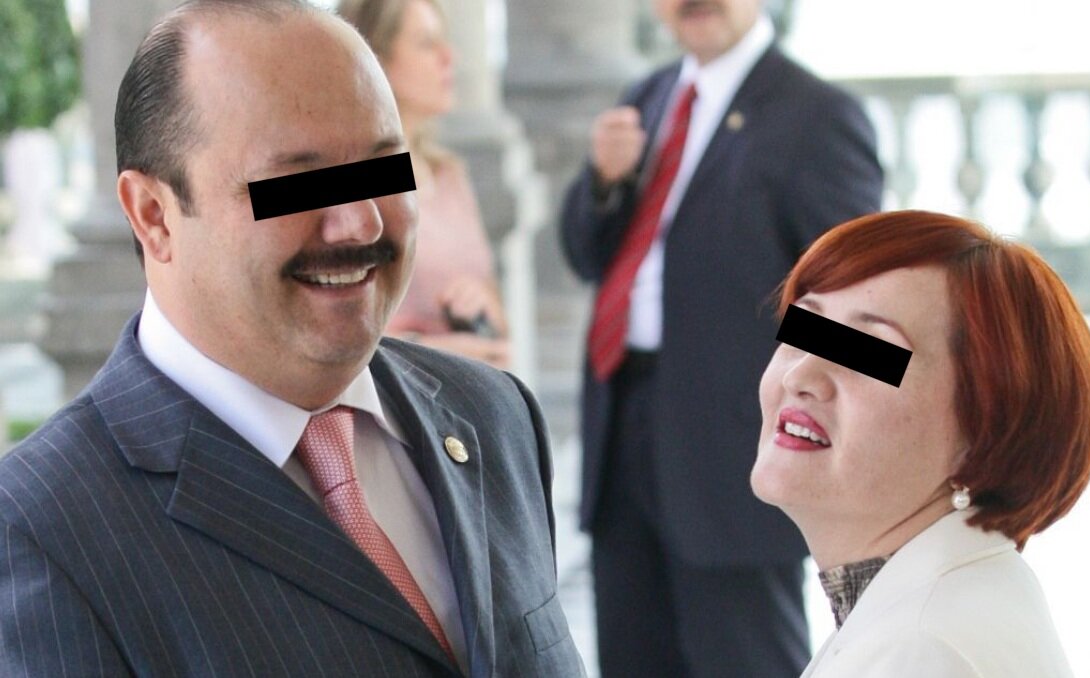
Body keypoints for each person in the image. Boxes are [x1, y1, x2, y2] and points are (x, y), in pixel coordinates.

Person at [0, 1, 584, 675]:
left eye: (384, 168)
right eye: (298, 183)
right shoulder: (44, 529)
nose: (360, 224)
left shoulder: (493, 415)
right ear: (154, 215)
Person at [559, 0, 883, 675]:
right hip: (623, 430)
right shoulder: (647, 98)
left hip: (736, 454)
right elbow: (588, 257)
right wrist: (602, 184)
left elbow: (856, 303)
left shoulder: (817, 114)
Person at [752, 210, 1090, 677]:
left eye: (865, 352)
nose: (800, 376)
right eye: (805, 330)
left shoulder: (916, 650)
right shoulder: (952, 597)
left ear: (984, 430)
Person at [339, 0, 509, 369]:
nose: (449, 57)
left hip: (469, 392)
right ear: (376, 58)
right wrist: (434, 352)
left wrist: (484, 306)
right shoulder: (346, 179)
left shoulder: (446, 173)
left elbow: (497, 312)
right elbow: (322, 327)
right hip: (397, 393)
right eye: (427, 43)